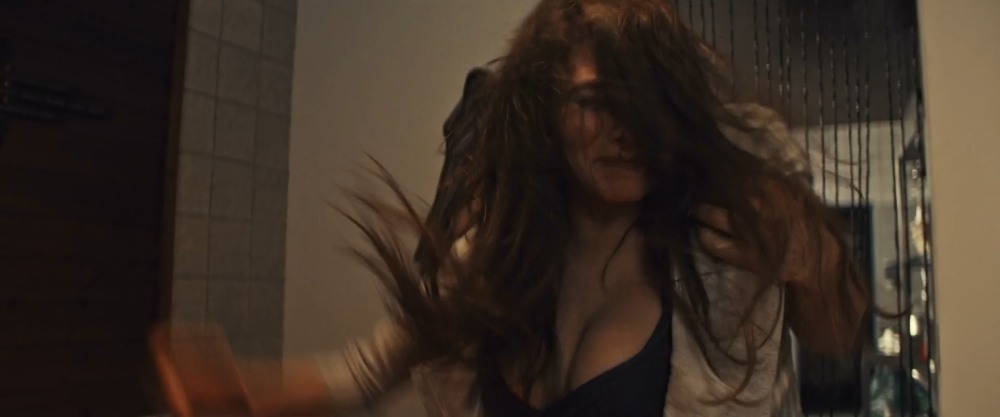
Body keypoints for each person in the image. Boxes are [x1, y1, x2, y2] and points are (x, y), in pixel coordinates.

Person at [150, 0, 869, 416]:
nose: (628, 130)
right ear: (543, 112)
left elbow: (837, 332)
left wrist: (813, 258)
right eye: (596, 101)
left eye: (648, 105)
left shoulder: (718, 252)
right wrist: (243, 394)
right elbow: (366, 371)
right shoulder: (494, 262)